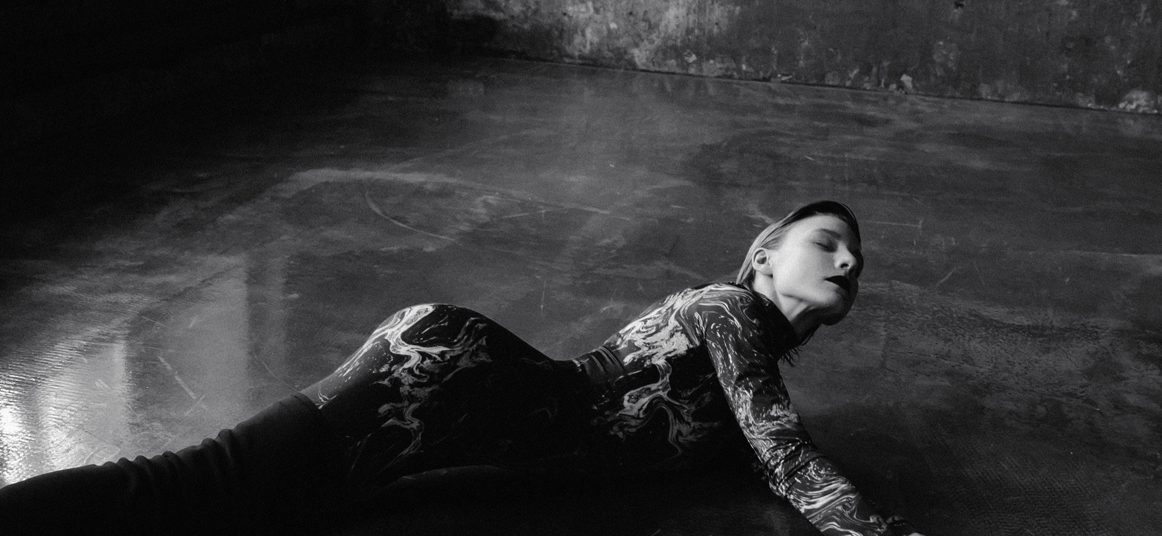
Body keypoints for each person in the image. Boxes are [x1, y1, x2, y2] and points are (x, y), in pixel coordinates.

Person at [0, 200, 923, 536]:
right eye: (827, 241)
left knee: (243, 515)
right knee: (193, 486)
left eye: (857, 258)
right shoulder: (725, 312)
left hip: (457, 432)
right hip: (443, 376)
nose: (849, 261)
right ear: (762, 256)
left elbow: (765, 451)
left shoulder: (744, 366)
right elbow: (786, 456)